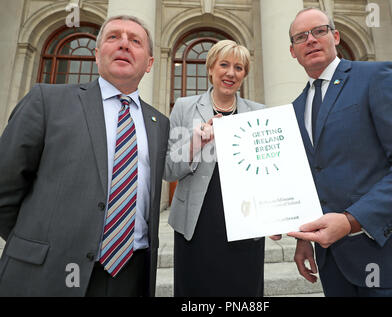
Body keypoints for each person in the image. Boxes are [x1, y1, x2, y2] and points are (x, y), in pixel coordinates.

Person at [0, 15, 169, 296]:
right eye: (113, 37)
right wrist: (36, 243)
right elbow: (4, 188)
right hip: (48, 273)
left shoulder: (159, 122)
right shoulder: (46, 101)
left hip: (130, 276)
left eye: (135, 41)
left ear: (149, 63)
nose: (124, 44)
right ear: (96, 54)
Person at [285, 8, 392, 296]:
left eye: (319, 31)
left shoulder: (376, 77)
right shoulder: (295, 109)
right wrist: (302, 236)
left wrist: (351, 221)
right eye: (301, 37)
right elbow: (311, 177)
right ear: (292, 52)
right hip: (335, 268)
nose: (310, 40)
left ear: (335, 36)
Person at [164, 40, 265, 297]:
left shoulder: (258, 113)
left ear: (244, 75)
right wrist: (195, 144)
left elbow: (267, 173)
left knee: (243, 291)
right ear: (210, 68)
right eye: (224, 65)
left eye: (239, 68)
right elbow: (168, 170)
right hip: (196, 223)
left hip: (245, 222)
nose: (231, 73)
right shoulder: (184, 108)